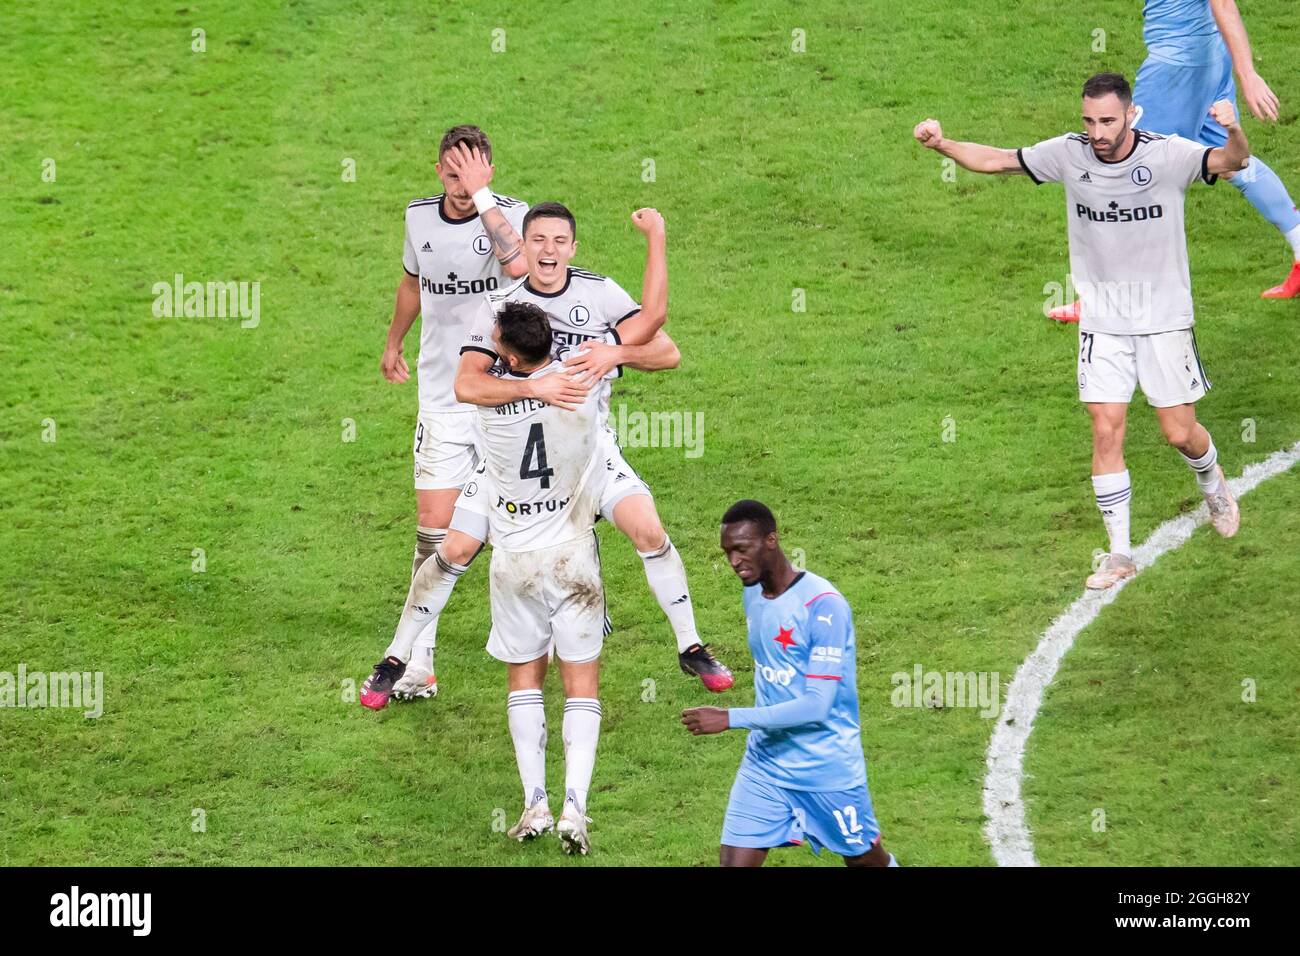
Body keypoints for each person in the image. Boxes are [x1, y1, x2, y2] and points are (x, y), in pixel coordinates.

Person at [376, 202, 733, 708]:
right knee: (453, 549)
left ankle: (690, 645)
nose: (548, 251)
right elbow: (466, 384)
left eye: (558, 241)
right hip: (511, 460)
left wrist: (615, 350)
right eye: (538, 241)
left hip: (587, 451)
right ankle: (397, 658)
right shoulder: (501, 306)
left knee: (648, 529)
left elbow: (666, 349)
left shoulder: (600, 292)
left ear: (572, 247)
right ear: (523, 247)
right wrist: (537, 389)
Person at [914, 72, 1246, 588]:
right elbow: (1000, 159)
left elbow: (1232, 162)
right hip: (1104, 320)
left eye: (1107, 120)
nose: (1097, 131)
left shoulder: (1167, 155)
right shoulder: (1069, 154)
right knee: (1105, 427)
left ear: (1131, 115)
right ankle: (1119, 554)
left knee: (1179, 433)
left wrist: (1233, 133)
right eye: (1089, 120)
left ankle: (1211, 477)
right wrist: (945, 144)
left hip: (1163, 320)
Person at [1049, 0, 1299, 322]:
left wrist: (1248, 74)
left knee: (1123, 167)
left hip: (1177, 68)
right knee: (1231, 162)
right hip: (1209, 57)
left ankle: (1108, 296)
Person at [682, 500, 897, 867]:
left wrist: (729, 717)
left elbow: (818, 705)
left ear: (771, 540)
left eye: (741, 549)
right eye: (727, 552)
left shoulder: (824, 607)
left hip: (825, 768)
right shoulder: (753, 592)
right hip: (765, 764)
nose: (733, 562)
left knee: (865, 861)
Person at [470, 300, 609, 855]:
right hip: (573, 556)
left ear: (504, 351)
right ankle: (576, 806)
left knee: (524, 680)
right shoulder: (583, 384)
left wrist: (516, 379)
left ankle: (535, 801)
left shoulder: (487, 405)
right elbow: (655, 344)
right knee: (582, 683)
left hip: (513, 562)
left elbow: (468, 386)